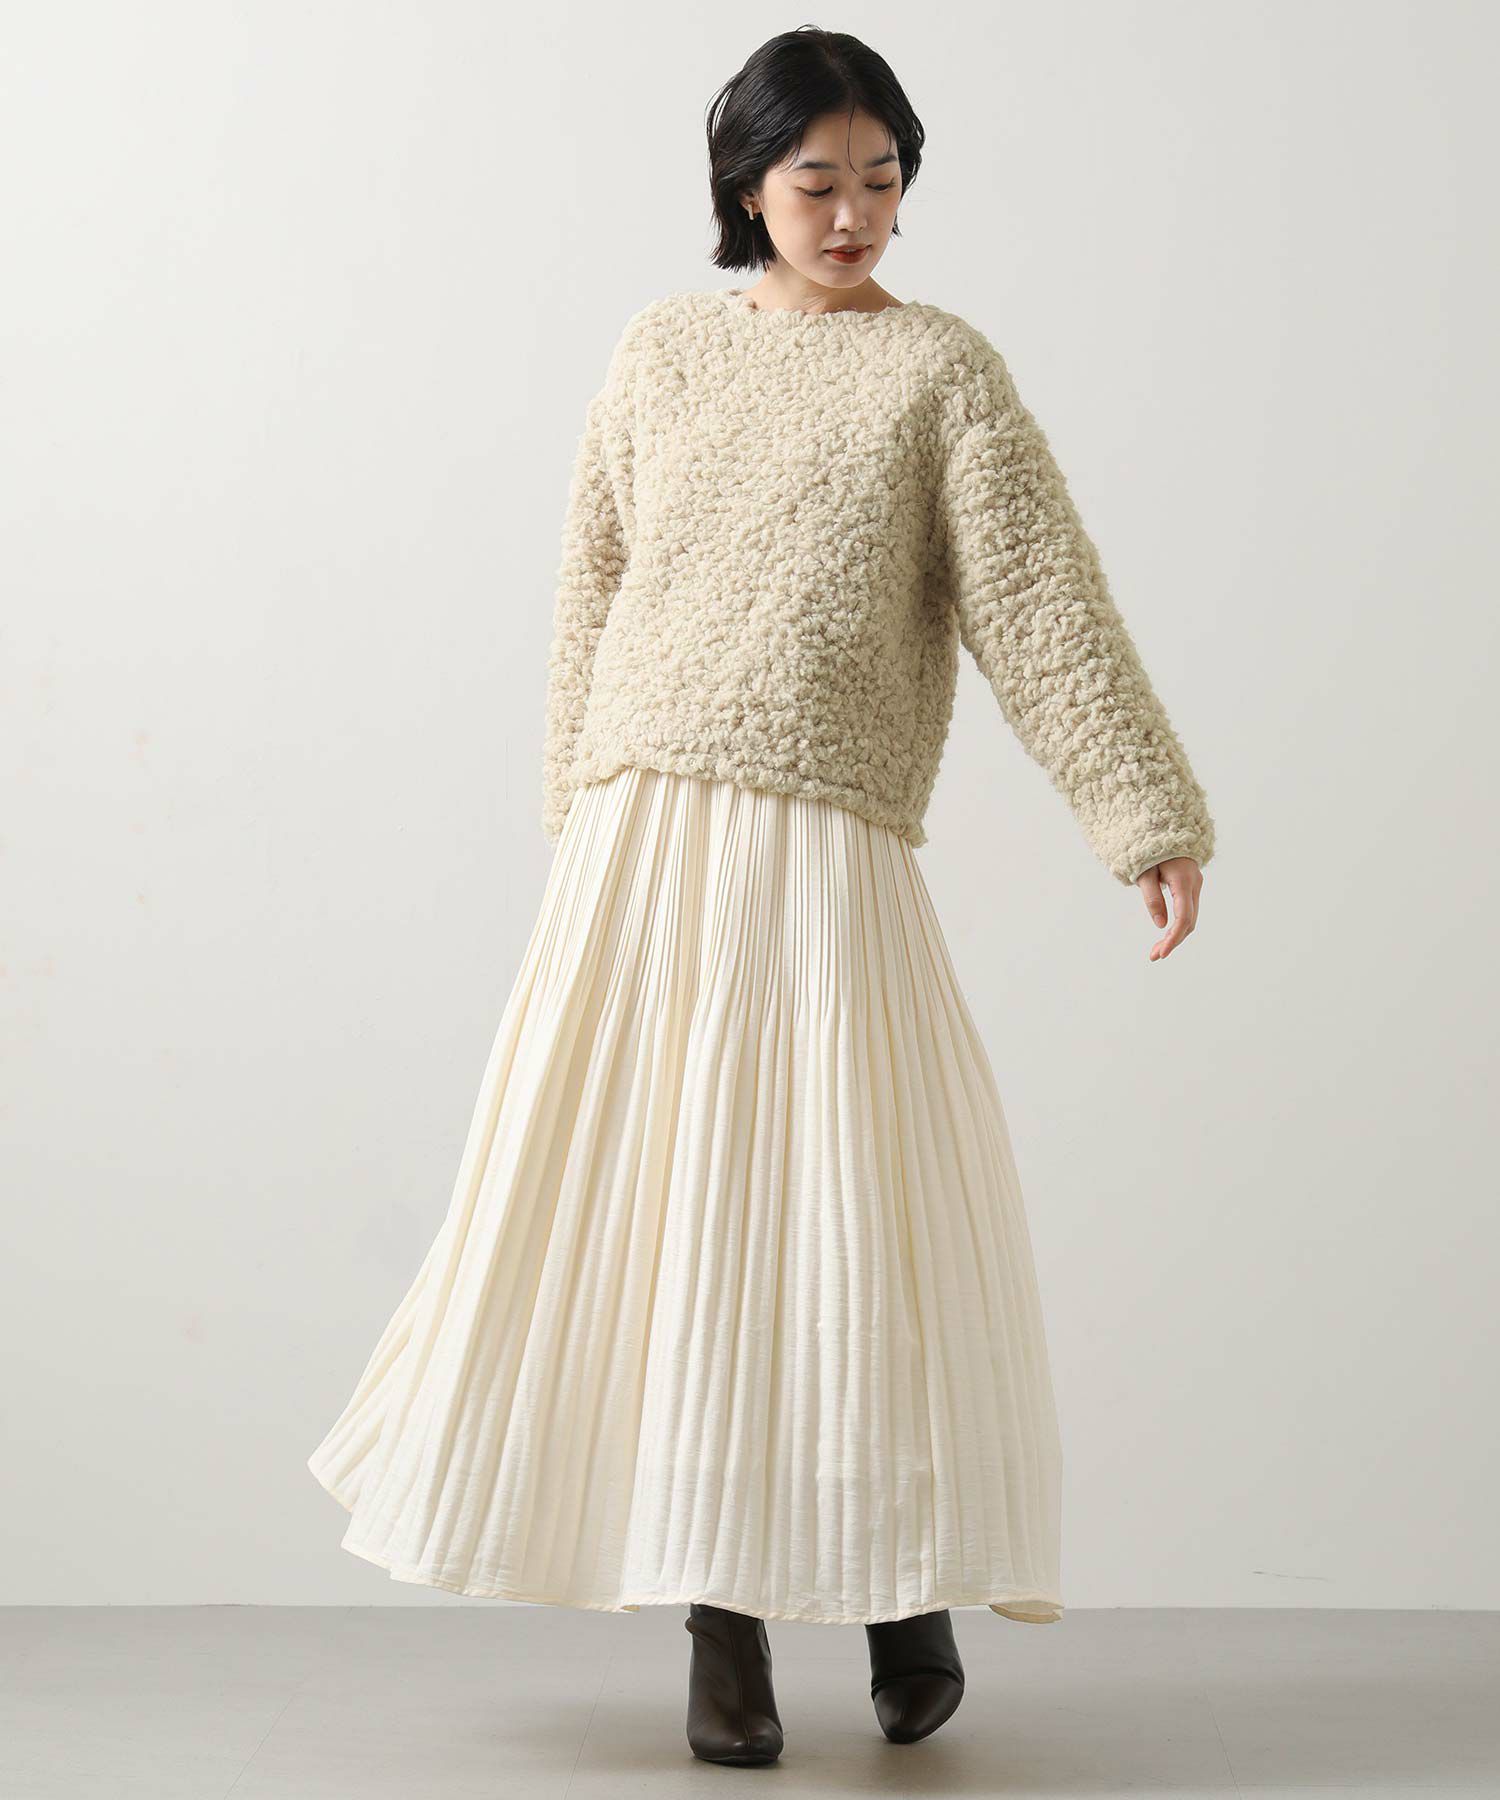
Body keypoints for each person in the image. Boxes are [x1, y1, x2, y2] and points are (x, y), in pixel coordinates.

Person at [307, 26, 1215, 1770]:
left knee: (850, 1219)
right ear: (746, 186)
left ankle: (902, 1591)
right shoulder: (660, 351)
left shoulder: (941, 374)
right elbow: (591, 589)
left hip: (827, 839)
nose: (854, 213)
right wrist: (577, 818)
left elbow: (1040, 605)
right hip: (646, 846)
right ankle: (718, 1621)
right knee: (678, 1233)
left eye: (883, 178)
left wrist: (1143, 814)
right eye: (818, 181)